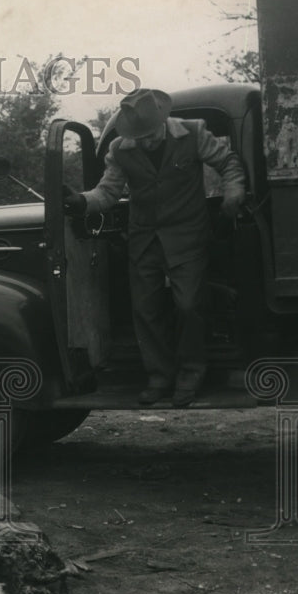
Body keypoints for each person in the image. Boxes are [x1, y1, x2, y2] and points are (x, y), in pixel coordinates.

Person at [63, 88, 245, 408]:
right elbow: (107, 193)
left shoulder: (193, 132)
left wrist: (232, 194)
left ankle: (191, 372)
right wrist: (79, 201)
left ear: (162, 121)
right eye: (138, 136)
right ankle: (159, 377)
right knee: (145, 310)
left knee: (189, 305)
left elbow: (228, 162)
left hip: (188, 235)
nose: (145, 141)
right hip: (144, 238)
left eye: (149, 134)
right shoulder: (120, 149)